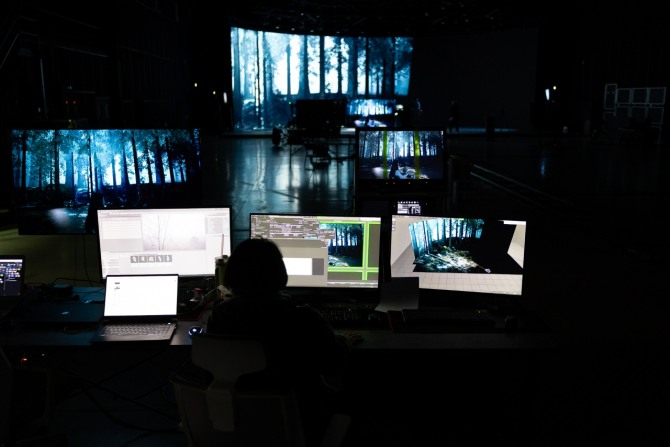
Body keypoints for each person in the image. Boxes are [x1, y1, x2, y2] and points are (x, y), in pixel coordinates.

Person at [205, 237, 360, 445]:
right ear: (280, 274)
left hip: (238, 423)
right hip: (301, 423)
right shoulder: (303, 317)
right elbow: (333, 365)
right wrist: (344, 342)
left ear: (232, 274)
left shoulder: (219, 316)